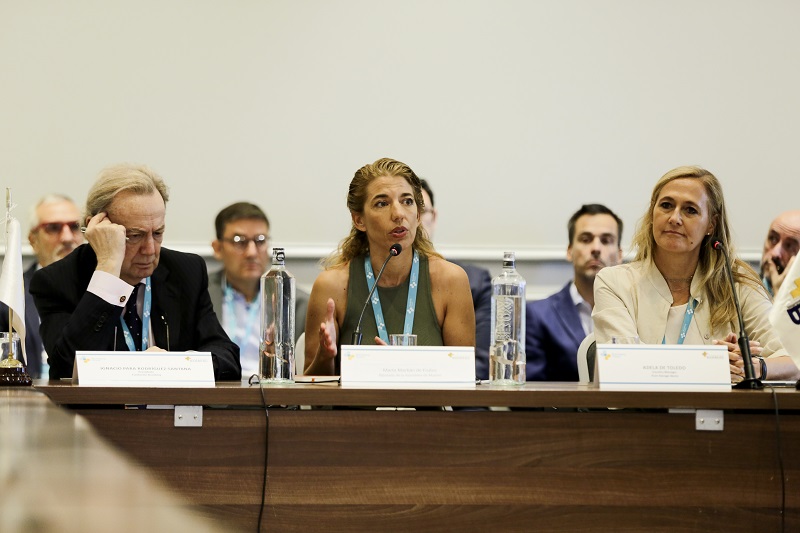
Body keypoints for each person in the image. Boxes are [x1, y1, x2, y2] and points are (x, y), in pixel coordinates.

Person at [30, 163, 240, 380]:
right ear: (96, 229)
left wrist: (177, 365)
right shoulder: (56, 281)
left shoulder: (186, 271)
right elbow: (66, 367)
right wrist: (108, 270)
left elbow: (227, 356)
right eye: (134, 236)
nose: (150, 249)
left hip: (171, 403)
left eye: (157, 233)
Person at [593, 166, 800, 382]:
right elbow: (621, 364)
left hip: (720, 405)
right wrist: (711, 363)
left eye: (690, 210)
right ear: (653, 213)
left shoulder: (738, 283)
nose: (674, 218)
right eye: (666, 205)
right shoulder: (614, 282)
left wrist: (754, 367)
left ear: (711, 224)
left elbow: (795, 358)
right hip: (642, 404)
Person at [303, 157, 475, 376]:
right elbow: (311, 389)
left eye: (407, 201)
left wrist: (404, 369)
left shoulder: (451, 281)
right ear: (359, 220)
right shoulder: (331, 286)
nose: (398, 214)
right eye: (382, 203)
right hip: (356, 401)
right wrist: (325, 356)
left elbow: (463, 380)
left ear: (418, 215)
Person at [208, 202, 309, 378]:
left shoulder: (297, 302)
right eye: (239, 241)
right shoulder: (202, 294)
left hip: (273, 392)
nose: (252, 252)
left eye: (260, 241)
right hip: (218, 390)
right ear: (218, 248)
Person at [526, 204, 623, 381]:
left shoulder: (635, 313)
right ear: (569, 251)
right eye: (586, 239)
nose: (596, 248)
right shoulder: (537, 315)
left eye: (606, 240)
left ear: (619, 255)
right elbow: (530, 390)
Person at [0, 194, 84, 378]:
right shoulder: (7, 297)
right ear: (33, 240)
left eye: (74, 226)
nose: (67, 237)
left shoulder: (101, 290)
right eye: (53, 228)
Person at [418, 179, 492, 380]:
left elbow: (479, 366)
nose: (413, 219)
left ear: (434, 217)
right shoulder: (368, 280)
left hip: (452, 395)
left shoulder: (474, 282)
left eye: (421, 211)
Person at [760, 210, 800, 296]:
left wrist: (780, 294)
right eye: (773, 239)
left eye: (789, 246)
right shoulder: (741, 290)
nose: (775, 253)